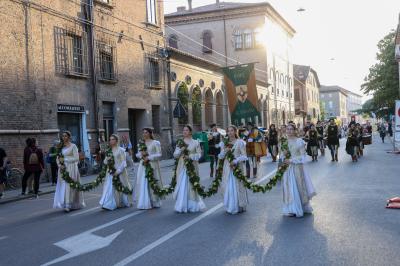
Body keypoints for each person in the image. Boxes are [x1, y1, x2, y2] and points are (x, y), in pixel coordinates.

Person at [282, 124, 316, 218]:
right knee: (288, 187)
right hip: (287, 168)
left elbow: (303, 156)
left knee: (298, 186)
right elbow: (281, 155)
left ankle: (300, 206)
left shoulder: (299, 141)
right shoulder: (284, 142)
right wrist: (283, 158)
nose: (289, 131)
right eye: (287, 129)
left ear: (294, 130)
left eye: (291, 129)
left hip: (297, 167)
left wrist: (292, 160)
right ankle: (291, 208)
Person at [173, 125, 206, 213]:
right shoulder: (180, 142)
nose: (184, 132)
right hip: (182, 166)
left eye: (186, 130)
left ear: (190, 132)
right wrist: (180, 150)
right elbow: (175, 155)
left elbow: (199, 155)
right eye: (183, 130)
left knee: (191, 183)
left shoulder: (195, 142)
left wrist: (190, 156)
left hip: (192, 166)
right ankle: (182, 205)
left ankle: (192, 204)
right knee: (182, 184)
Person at [218, 126, 248, 214]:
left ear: (235, 132)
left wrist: (235, 161)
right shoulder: (224, 143)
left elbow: (244, 156)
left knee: (237, 186)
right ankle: (230, 205)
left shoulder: (240, 142)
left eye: (232, 131)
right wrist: (224, 151)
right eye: (228, 131)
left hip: (237, 167)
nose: (230, 132)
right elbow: (220, 156)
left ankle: (239, 205)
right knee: (228, 186)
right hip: (227, 167)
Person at [53, 131, 85, 212]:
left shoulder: (73, 146)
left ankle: (69, 204)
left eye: (66, 136)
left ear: (69, 137)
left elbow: (76, 158)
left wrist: (65, 160)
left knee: (69, 186)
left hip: (71, 168)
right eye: (63, 136)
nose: (64, 137)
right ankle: (65, 203)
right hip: (63, 168)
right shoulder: (61, 147)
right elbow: (57, 158)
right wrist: (60, 165)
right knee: (63, 186)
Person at [100, 134, 132, 210]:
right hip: (110, 171)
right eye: (110, 139)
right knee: (110, 187)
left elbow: (124, 162)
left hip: (119, 171)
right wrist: (106, 159)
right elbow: (105, 162)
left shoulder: (121, 150)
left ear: (116, 140)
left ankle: (121, 201)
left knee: (121, 185)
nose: (111, 141)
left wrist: (118, 171)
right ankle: (109, 203)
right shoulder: (108, 151)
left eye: (113, 139)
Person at [135, 128, 163, 209]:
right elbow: (137, 154)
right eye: (143, 133)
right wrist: (141, 154)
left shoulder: (155, 143)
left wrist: (149, 157)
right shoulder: (141, 143)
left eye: (146, 132)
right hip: (143, 165)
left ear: (150, 133)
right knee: (143, 182)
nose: (144, 134)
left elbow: (159, 154)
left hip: (152, 165)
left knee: (152, 182)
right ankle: (145, 202)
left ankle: (154, 201)